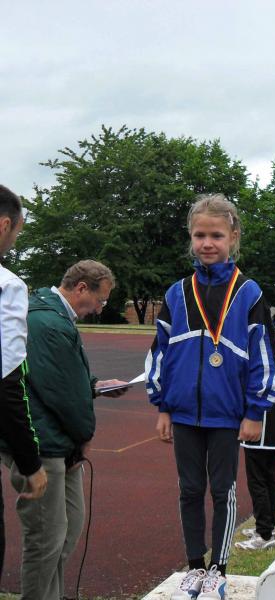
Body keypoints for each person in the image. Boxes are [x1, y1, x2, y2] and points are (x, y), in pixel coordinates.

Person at [145, 194, 275, 599]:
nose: (207, 243)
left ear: (233, 237)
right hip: (184, 413)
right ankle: (194, 566)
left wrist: (255, 411)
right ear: (190, 238)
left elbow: (266, 357)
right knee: (189, 489)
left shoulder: (248, 292)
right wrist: (162, 406)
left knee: (223, 490)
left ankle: (218, 570)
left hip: (227, 414)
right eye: (199, 235)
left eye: (217, 235)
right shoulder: (177, 293)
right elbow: (160, 352)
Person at [0, 260, 128, 600]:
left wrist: (95, 385)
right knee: (46, 539)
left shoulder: (54, 317)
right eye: (100, 300)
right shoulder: (48, 322)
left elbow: (63, 377)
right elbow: (61, 393)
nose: (100, 309)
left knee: (67, 529)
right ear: (82, 288)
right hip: (45, 443)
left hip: (58, 442)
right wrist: (84, 435)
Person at [0, 184, 47, 588]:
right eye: (17, 231)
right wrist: (30, 463)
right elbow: (7, 382)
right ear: (4, 225)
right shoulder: (8, 286)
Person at [236, 386, 275, 551]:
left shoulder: (266, 370)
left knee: (257, 480)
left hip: (261, 423)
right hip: (271, 421)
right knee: (266, 478)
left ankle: (264, 533)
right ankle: (267, 526)